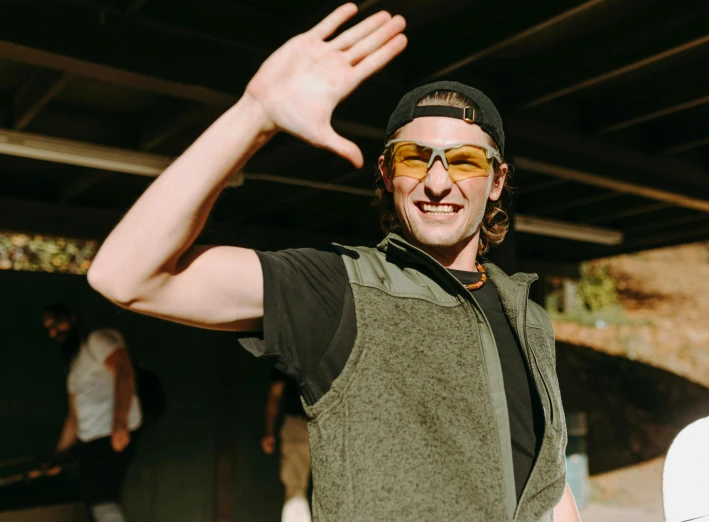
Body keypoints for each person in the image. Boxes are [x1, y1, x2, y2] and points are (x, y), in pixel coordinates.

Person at [86, 4, 579, 521]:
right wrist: (255, 114)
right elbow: (125, 277)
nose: (437, 182)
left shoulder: (529, 316)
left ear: (497, 181)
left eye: (463, 161)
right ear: (388, 175)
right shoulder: (338, 290)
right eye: (414, 158)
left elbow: (549, 481)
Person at [43, 303, 142, 522]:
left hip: (111, 436)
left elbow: (124, 372)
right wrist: (59, 454)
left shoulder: (98, 340)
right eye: (49, 328)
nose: (54, 331)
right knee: (92, 500)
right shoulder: (75, 366)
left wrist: (120, 422)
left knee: (102, 499)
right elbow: (73, 416)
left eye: (57, 323)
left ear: (72, 318)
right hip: (90, 442)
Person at [262, 374, 312, 522]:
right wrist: (269, 431)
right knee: (296, 490)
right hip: (299, 425)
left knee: (297, 490)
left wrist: (269, 431)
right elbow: (274, 396)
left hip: (319, 422)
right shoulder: (288, 359)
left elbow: (274, 397)